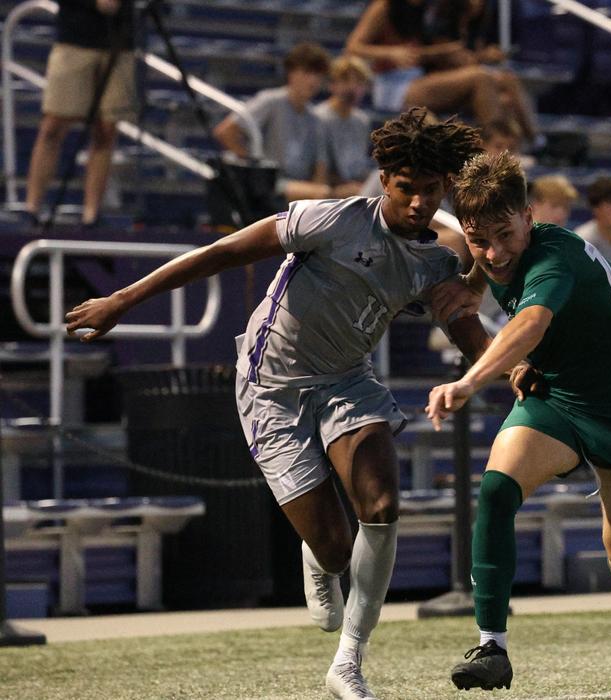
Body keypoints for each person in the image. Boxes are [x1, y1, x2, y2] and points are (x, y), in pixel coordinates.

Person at [65, 108, 488, 700]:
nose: (419, 202)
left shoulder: (437, 262)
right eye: (406, 189)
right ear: (384, 181)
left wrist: (513, 371)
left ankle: (348, 664)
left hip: (346, 380)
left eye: (430, 190)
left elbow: (471, 334)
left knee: (384, 505)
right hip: (271, 386)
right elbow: (222, 253)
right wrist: (122, 299)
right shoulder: (331, 220)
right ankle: (319, 553)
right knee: (337, 548)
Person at [426, 151, 611, 699]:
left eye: (505, 235)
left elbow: (531, 321)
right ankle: (492, 646)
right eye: (478, 239)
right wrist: (469, 284)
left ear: (529, 218)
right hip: (556, 394)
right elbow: (485, 272)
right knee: (496, 489)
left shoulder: (555, 260)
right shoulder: (489, 249)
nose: (493, 252)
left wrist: (470, 381)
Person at [345, 0, 538, 143]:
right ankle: (497, 147)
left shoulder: (428, 9)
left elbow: (419, 55)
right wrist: (390, 53)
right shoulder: (385, 6)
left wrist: (448, 53)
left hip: (419, 78)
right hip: (393, 85)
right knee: (481, 77)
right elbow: (353, 46)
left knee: (503, 87)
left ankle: (527, 142)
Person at [23, 0, 135, 227]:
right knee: (53, 125)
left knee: (106, 130)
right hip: (74, 40)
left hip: (119, 42)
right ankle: (32, 207)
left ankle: (91, 215)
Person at [212, 43, 343, 204]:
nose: (313, 80)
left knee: (335, 196)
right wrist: (254, 167)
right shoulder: (270, 100)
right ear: (291, 73)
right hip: (270, 182)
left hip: (299, 185)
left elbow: (320, 167)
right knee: (323, 195)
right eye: (307, 72)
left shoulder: (316, 118)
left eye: (318, 75)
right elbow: (226, 131)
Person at [315, 55, 375, 197]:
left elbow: (358, 166)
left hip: (355, 186)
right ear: (332, 85)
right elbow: (318, 171)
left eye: (359, 82)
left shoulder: (362, 120)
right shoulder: (319, 118)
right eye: (345, 80)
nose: (352, 88)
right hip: (328, 188)